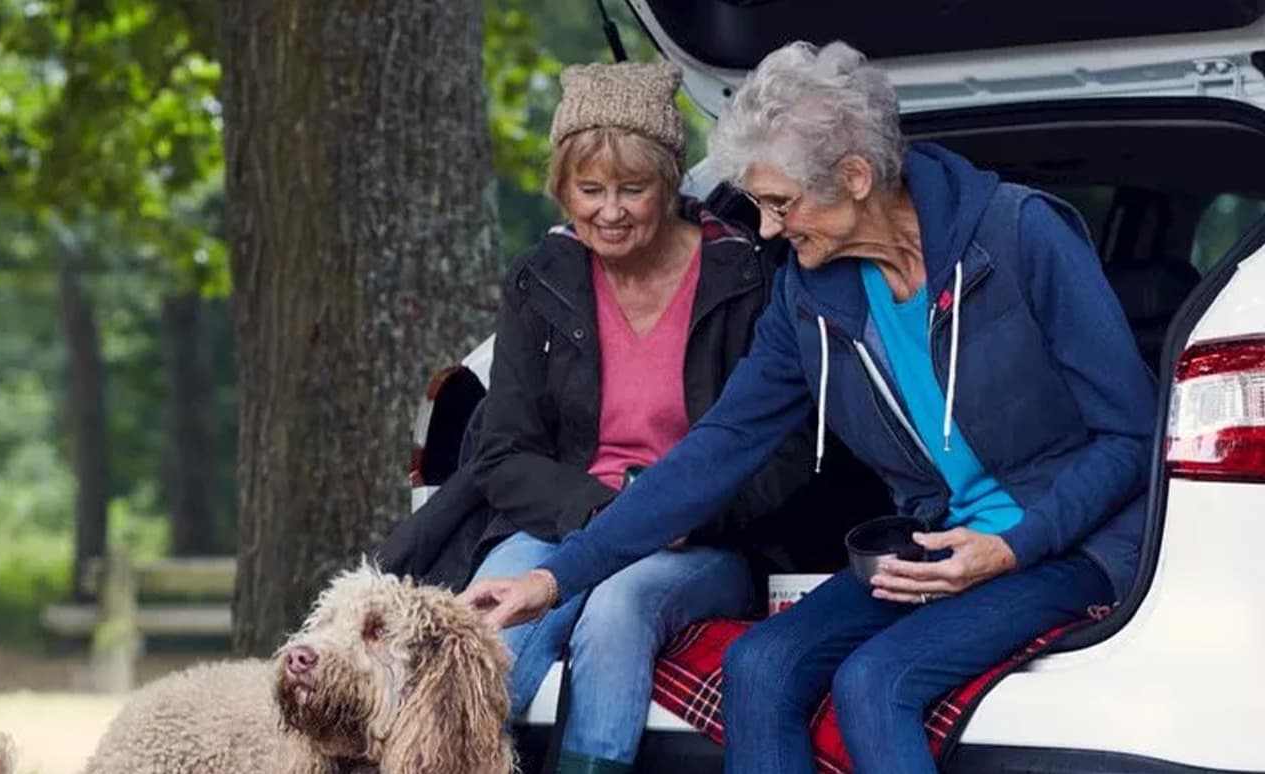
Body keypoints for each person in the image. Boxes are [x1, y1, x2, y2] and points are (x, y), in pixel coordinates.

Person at [461, 41, 1155, 774]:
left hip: (1066, 541)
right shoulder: (809, 293)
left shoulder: (1020, 234)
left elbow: (1131, 435)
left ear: (855, 177)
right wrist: (553, 580)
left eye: (780, 203)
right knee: (759, 665)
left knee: (875, 682)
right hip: (936, 542)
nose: (765, 229)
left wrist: (1014, 545)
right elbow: (717, 448)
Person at [447, 60, 814, 774]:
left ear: (671, 186)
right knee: (485, 629)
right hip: (566, 519)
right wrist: (608, 510)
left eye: (632, 189)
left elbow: (788, 452)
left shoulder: (744, 275)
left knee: (618, 608)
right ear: (563, 189)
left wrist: (687, 515)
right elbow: (502, 454)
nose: (610, 211)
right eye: (590, 190)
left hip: (702, 538)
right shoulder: (539, 280)